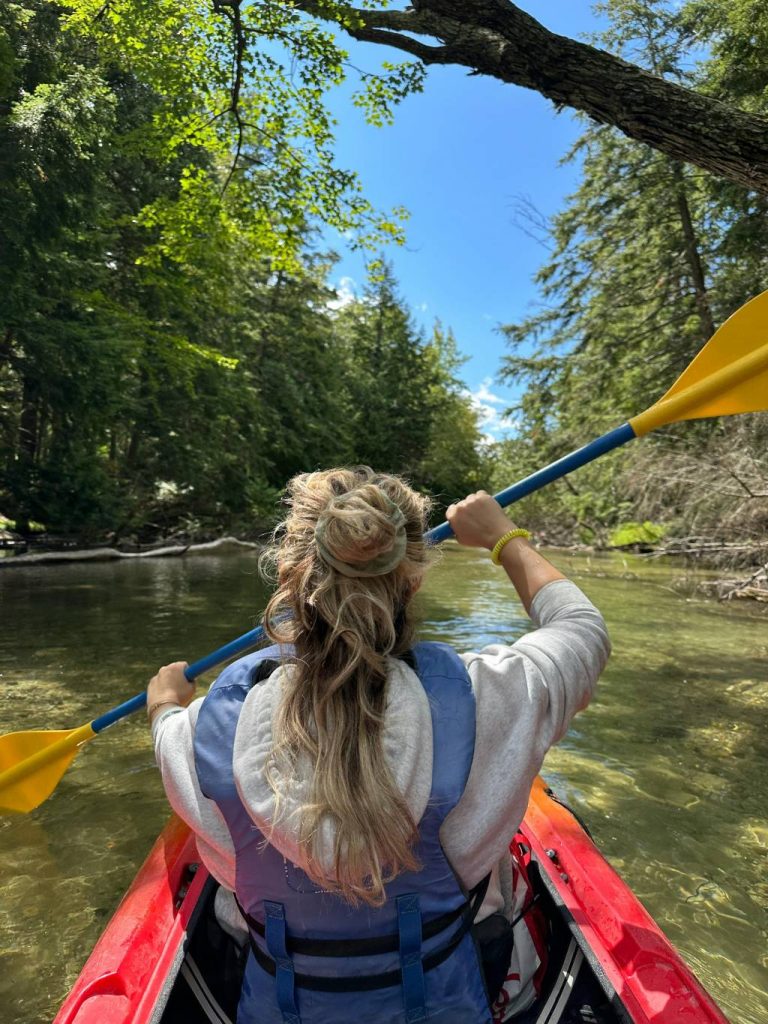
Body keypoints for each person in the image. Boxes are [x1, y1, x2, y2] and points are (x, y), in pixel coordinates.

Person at [148, 467, 610, 1024]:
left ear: (290, 576)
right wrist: (502, 537)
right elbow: (581, 628)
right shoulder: (498, 694)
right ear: (413, 579)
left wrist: (163, 705)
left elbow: (167, 730)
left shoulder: (195, 734)